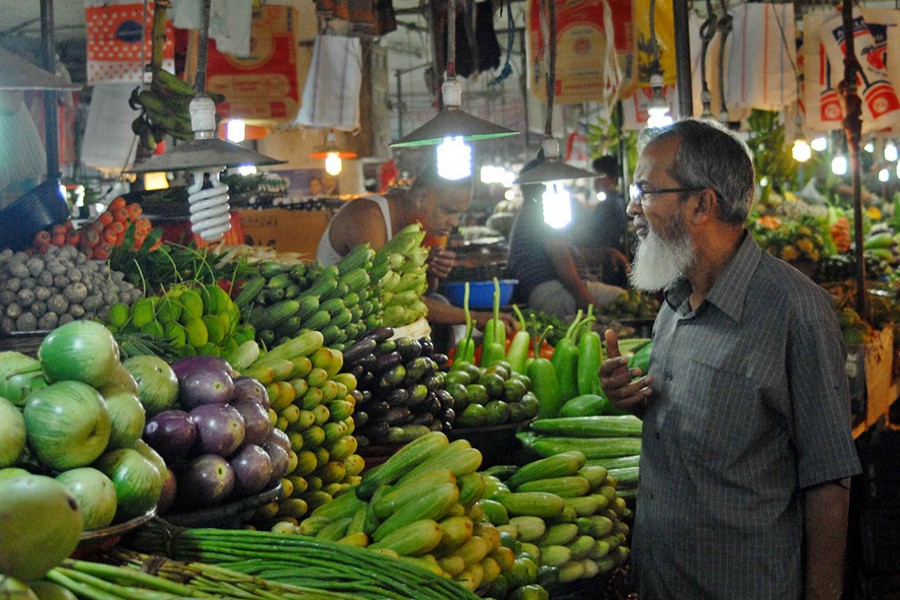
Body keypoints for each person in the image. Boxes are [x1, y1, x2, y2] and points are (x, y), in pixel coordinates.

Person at [599, 119, 861, 599]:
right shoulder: (675, 299)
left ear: (702, 203)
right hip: (663, 579)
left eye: (646, 190)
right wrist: (635, 400)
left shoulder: (794, 310)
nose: (634, 207)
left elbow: (829, 477)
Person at [317, 163, 516, 334]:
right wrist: (474, 317)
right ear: (421, 198)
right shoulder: (366, 216)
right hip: (339, 320)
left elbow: (426, 292)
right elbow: (386, 297)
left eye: (459, 215)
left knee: (439, 301)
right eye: (448, 211)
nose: (454, 222)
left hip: (378, 315)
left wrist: (430, 272)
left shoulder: (425, 225)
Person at [507, 159, 626, 319]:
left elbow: (567, 254)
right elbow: (560, 257)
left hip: (550, 289)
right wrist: (585, 299)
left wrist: (606, 253)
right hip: (552, 291)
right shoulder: (543, 211)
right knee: (624, 299)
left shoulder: (529, 213)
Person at [574, 155, 629, 287]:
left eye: (599, 176)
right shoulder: (619, 201)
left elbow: (592, 234)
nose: (595, 181)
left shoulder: (608, 205)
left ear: (612, 179)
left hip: (606, 264)